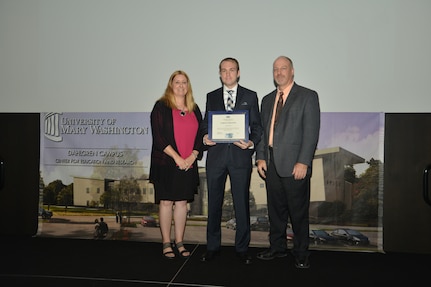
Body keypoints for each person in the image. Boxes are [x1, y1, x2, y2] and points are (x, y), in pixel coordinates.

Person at [255, 56, 320, 269]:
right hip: (271, 163)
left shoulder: (308, 96)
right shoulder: (266, 100)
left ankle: (301, 252)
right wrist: (261, 157)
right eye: (275, 69)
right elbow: (264, 133)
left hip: (295, 166)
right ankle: (277, 248)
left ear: (292, 71)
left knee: (298, 212)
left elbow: (311, 133)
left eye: (283, 68)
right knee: (275, 211)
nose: (279, 72)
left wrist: (303, 162)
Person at [200, 57, 263, 265]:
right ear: (219, 73)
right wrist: (205, 137)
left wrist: (251, 143)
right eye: (224, 70)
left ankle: (242, 249)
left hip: (240, 158)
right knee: (214, 205)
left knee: (241, 205)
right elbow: (204, 125)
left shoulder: (250, 96)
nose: (228, 74)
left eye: (232, 70)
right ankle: (212, 247)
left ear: (238, 72)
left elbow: (257, 127)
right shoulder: (211, 96)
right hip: (216, 157)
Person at [149, 70, 204, 260]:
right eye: (177, 82)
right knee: (166, 202)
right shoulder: (161, 106)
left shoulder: (194, 108)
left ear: (188, 86)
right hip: (167, 163)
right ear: (171, 85)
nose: (181, 86)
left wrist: (193, 156)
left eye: (184, 82)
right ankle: (166, 242)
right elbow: (158, 137)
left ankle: (179, 242)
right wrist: (177, 158)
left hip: (189, 164)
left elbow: (200, 136)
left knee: (182, 203)